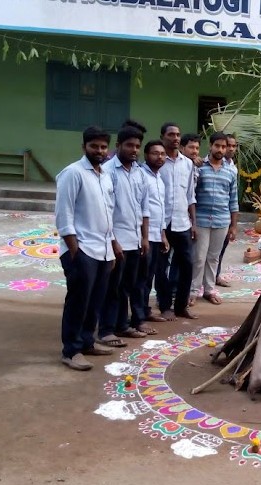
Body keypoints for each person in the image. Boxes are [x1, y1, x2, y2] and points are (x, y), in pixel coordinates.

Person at [54, 127, 116, 371]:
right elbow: (64, 215)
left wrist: (111, 248)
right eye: (94, 146)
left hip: (102, 250)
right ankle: (71, 351)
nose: (99, 151)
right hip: (81, 250)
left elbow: (108, 213)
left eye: (103, 147)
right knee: (78, 301)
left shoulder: (105, 176)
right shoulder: (73, 173)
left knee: (95, 301)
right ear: (84, 147)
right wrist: (74, 251)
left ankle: (88, 341)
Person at [98, 126, 151, 347]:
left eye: (137, 146)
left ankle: (122, 325)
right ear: (118, 145)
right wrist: (113, 240)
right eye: (129, 145)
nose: (134, 150)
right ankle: (106, 330)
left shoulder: (139, 172)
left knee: (127, 286)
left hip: (135, 239)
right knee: (113, 288)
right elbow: (106, 209)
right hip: (116, 240)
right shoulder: (108, 171)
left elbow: (144, 207)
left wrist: (145, 237)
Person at [190, 132, 239, 305]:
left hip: (222, 220)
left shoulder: (230, 171)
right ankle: (194, 291)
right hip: (201, 220)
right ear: (210, 146)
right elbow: (192, 196)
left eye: (223, 147)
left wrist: (233, 226)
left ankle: (209, 290)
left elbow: (233, 199)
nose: (220, 149)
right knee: (199, 257)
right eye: (217, 146)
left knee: (213, 257)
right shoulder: (198, 167)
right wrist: (192, 222)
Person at [158, 122, 198, 320]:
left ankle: (181, 306)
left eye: (178, 134)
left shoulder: (188, 164)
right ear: (163, 137)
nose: (175, 138)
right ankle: (165, 306)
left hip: (183, 223)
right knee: (161, 268)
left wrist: (194, 223)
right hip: (162, 225)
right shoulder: (157, 162)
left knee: (187, 265)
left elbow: (190, 195)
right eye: (171, 134)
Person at [140, 140, 171, 323]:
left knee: (150, 275)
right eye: (155, 153)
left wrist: (163, 234)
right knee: (142, 278)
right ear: (146, 155)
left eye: (162, 154)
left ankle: (145, 310)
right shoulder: (142, 176)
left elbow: (160, 209)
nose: (159, 157)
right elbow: (142, 209)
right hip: (145, 236)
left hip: (156, 234)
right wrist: (144, 236)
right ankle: (140, 315)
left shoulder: (159, 178)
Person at [215, 133, 239, 288]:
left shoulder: (232, 168)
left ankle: (215, 276)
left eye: (233, 146)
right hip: (207, 217)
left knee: (220, 251)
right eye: (226, 145)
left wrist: (233, 225)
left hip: (224, 217)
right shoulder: (211, 163)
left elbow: (233, 197)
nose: (230, 149)